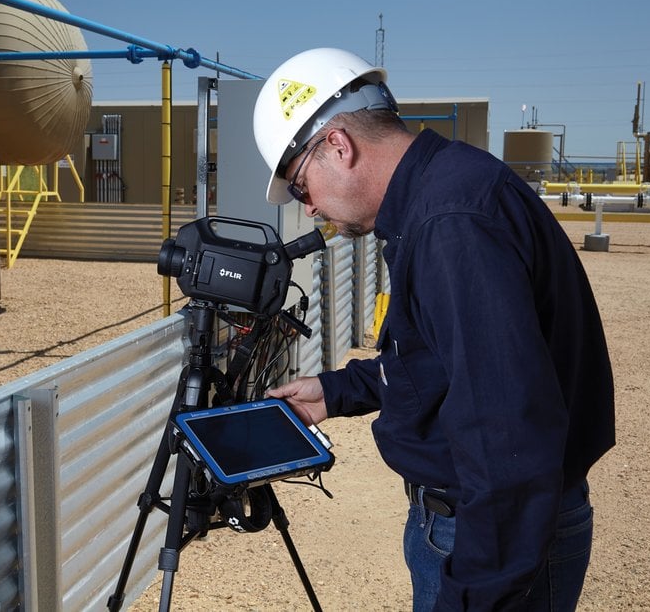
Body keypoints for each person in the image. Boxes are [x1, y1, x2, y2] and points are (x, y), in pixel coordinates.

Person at [252, 47, 616, 611]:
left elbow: (506, 438)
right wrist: (339, 390)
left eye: (301, 187)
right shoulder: (444, 192)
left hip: (489, 533)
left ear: (338, 146)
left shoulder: (450, 226)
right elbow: (445, 359)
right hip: (485, 524)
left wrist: (473, 596)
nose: (310, 210)